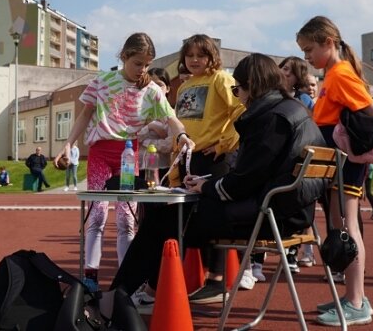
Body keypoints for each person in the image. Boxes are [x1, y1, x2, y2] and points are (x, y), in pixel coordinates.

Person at [102, 53, 326, 313]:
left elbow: (241, 183)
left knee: (164, 220)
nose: (238, 95)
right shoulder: (293, 110)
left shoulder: (271, 119)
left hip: (271, 216)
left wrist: (207, 187)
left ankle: (116, 300)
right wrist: (208, 183)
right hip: (290, 212)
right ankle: (144, 294)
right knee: (173, 218)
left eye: (238, 89)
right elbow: (255, 174)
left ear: (252, 85)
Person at [54, 32, 194, 293]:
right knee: (96, 215)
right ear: (124, 57)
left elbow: (172, 118)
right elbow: (85, 114)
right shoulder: (102, 81)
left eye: (147, 64)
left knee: (126, 220)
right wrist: (70, 143)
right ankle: (90, 277)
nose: (143, 69)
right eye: (138, 63)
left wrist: (183, 135)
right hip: (100, 154)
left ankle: (125, 281)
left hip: (128, 156)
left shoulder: (151, 90)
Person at [297, 15, 373, 326]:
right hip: (337, 163)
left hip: (345, 163)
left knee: (347, 228)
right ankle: (353, 295)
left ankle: (357, 302)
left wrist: (344, 134)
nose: (307, 57)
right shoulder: (331, 75)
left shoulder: (340, 74)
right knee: (341, 226)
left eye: (309, 49)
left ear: (328, 43)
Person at [174, 34, 245, 184]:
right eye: (189, 55)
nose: (194, 60)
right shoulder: (183, 86)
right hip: (186, 156)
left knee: (210, 205)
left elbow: (241, 109)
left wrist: (224, 143)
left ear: (212, 57)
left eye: (200, 55)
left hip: (212, 156)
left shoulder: (220, 78)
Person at [279, 56, 315, 272]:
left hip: (298, 161)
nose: (284, 73)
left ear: (298, 77)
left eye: (289, 71)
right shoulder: (273, 96)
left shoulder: (303, 101)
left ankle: (292, 252)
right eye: (283, 68)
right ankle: (257, 259)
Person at [137, 68, 176, 185]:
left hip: (161, 167)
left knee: (158, 202)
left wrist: (145, 141)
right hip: (139, 167)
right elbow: (133, 137)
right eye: (150, 85)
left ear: (168, 88)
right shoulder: (139, 112)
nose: (155, 89)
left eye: (160, 85)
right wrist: (150, 126)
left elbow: (169, 144)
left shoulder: (171, 115)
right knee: (139, 202)